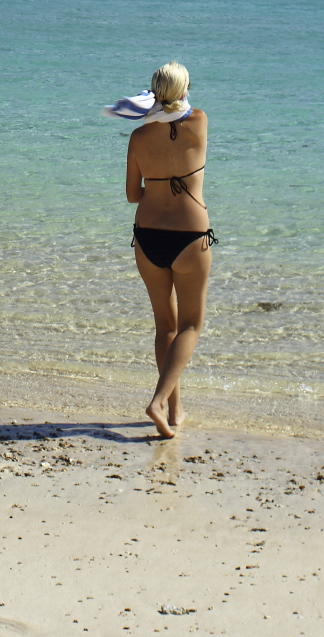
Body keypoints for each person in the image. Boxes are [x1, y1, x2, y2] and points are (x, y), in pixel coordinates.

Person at [125, 61, 216, 438]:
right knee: (191, 324)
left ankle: (176, 409)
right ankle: (160, 400)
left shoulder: (138, 137)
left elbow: (133, 194)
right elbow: (184, 110)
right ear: (185, 90)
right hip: (189, 236)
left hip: (148, 236)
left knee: (166, 325)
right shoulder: (199, 123)